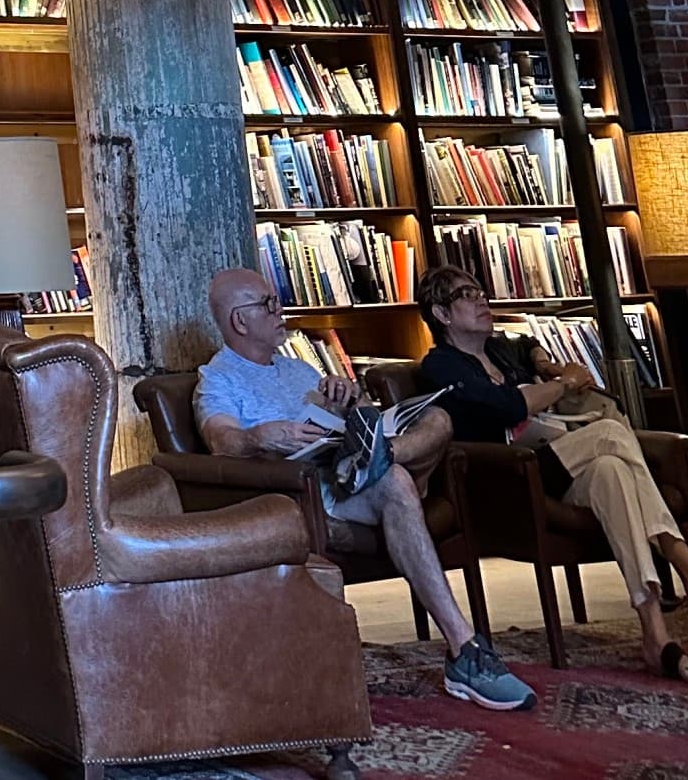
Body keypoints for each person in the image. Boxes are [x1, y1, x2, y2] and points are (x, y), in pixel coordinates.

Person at [195, 264, 535, 712]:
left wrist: (351, 400)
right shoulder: (218, 378)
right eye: (268, 304)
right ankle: (464, 647)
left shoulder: (297, 369)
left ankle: (379, 455)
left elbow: (360, 413)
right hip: (315, 491)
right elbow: (222, 440)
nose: (281, 311)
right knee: (394, 480)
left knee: (439, 419)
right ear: (240, 320)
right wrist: (261, 436)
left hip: (354, 465)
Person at [415, 264, 688, 685]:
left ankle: (654, 632)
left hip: (564, 464)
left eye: (481, 291)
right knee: (608, 433)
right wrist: (563, 384)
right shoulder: (440, 365)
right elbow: (508, 408)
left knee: (612, 472)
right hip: (513, 476)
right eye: (466, 295)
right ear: (441, 314)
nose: (481, 300)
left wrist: (544, 365)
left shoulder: (498, 350)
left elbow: (527, 343)